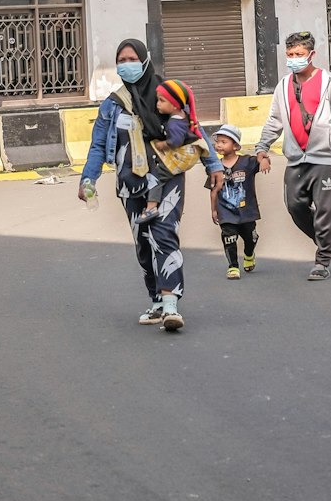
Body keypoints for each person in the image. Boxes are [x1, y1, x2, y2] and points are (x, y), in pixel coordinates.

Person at [78, 39, 224, 333]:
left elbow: (193, 128)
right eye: (121, 60)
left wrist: (214, 165)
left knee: (164, 234)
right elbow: (97, 145)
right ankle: (157, 300)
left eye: (132, 58)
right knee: (143, 244)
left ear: (145, 61)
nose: (126, 64)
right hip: (130, 185)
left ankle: (171, 304)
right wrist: (88, 178)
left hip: (167, 179)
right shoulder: (113, 103)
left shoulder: (164, 95)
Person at [256, 30, 331, 281]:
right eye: (290, 54)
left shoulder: (330, 82)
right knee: (295, 206)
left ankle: (322, 260)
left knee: (326, 210)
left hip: (326, 158)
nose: (294, 58)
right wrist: (262, 146)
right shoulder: (283, 85)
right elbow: (274, 120)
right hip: (296, 158)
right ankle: (328, 238)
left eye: (299, 54)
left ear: (312, 55)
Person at [141, 78, 207, 219]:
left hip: (183, 156)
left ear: (175, 104)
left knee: (157, 176)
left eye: (162, 101)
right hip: (190, 152)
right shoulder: (183, 116)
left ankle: (151, 208)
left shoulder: (173, 124)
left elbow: (175, 141)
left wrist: (162, 144)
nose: (157, 104)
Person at [209, 124, 261, 280]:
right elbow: (213, 191)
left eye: (224, 141)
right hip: (226, 212)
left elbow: (261, 157)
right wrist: (213, 210)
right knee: (229, 238)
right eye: (218, 141)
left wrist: (264, 161)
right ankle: (233, 266)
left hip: (247, 211)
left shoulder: (247, 162)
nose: (219, 145)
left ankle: (249, 254)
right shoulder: (215, 167)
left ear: (236, 146)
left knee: (251, 238)